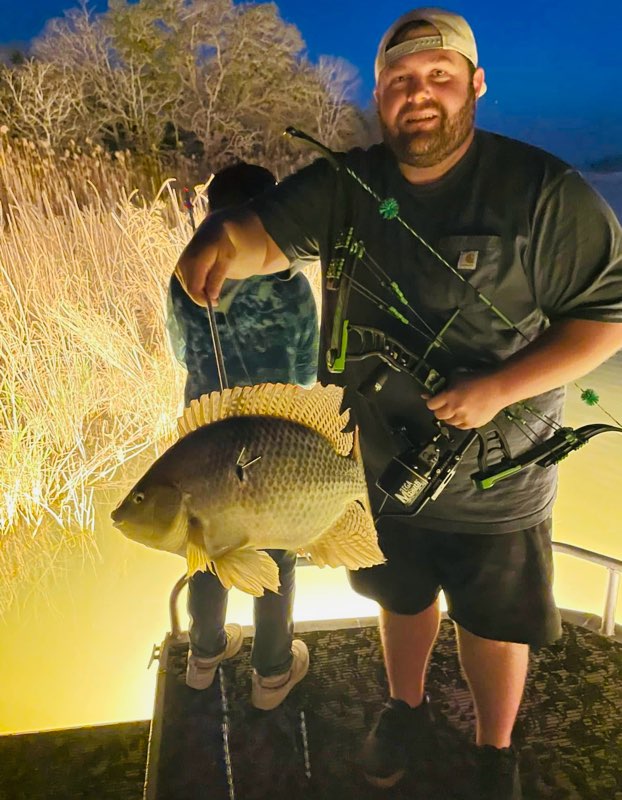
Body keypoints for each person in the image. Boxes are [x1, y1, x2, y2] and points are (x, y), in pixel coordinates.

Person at [174, 10, 622, 799]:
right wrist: (219, 240)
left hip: (499, 481)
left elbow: (605, 319)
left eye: (440, 77)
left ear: (475, 85)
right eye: (401, 82)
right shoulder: (347, 186)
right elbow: (263, 236)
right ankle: (404, 708)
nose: (421, 96)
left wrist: (498, 389)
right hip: (375, 470)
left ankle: (495, 752)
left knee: (491, 623)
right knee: (400, 598)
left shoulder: (543, 193)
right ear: (381, 95)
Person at [168, 161, 319, 710]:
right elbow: (306, 372)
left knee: (207, 542)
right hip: (272, 438)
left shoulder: (187, 278)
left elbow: (179, 352)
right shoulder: (293, 286)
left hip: (207, 432)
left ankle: (204, 655)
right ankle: (271, 672)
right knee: (275, 551)